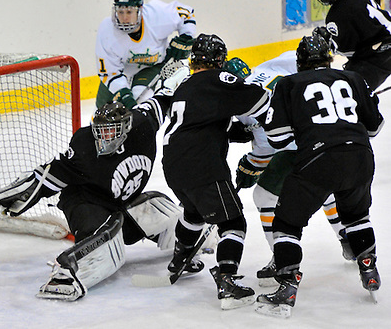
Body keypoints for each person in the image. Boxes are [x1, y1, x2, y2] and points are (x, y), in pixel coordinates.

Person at [0, 66, 190, 301]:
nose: (103, 138)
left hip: (116, 203)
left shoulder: (142, 124)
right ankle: (66, 272)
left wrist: (184, 72)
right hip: (84, 202)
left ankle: (187, 243)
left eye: (110, 132)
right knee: (106, 243)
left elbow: (163, 96)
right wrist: (19, 198)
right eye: (100, 132)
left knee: (156, 207)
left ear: (126, 128)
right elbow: (48, 175)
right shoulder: (85, 145)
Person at [255, 35, 384, 318]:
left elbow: (277, 138)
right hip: (360, 155)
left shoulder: (287, 84)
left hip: (318, 158)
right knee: (357, 216)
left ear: (299, 62)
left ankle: (287, 285)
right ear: (329, 58)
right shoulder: (353, 77)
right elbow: (375, 127)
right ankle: (368, 268)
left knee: (287, 223)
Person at [161, 33, 270, 310]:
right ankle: (227, 281)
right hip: (203, 166)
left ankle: (180, 257)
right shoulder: (218, 79)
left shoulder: (185, 86)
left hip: (173, 166)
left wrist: (237, 131)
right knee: (233, 224)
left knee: (193, 212)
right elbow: (260, 101)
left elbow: (201, 124)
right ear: (219, 61)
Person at [234, 49, 354, 287]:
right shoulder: (267, 67)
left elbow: (267, 145)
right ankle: (347, 237)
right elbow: (300, 59)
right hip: (322, 135)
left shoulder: (241, 104)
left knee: (263, 196)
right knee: (322, 187)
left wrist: (251, 165)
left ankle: (280, 260)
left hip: (294, 147)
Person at [95, 0, 196, 109]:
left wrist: (186, 37)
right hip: (121, 72)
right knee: (102, 111)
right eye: (120, 12)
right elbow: (109, 72)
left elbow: (187, 14)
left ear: (140, 10)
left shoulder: (157, 15)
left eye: (129, 12)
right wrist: (124, 94)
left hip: (152, 67)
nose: (124, 18)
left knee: (142, 102)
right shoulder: (107, 30)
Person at [314, 0, 391, 91]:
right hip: (383, 43)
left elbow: (350, 51)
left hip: (379, 54)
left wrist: (329, 43)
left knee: (348, 92)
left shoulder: (338, 13)